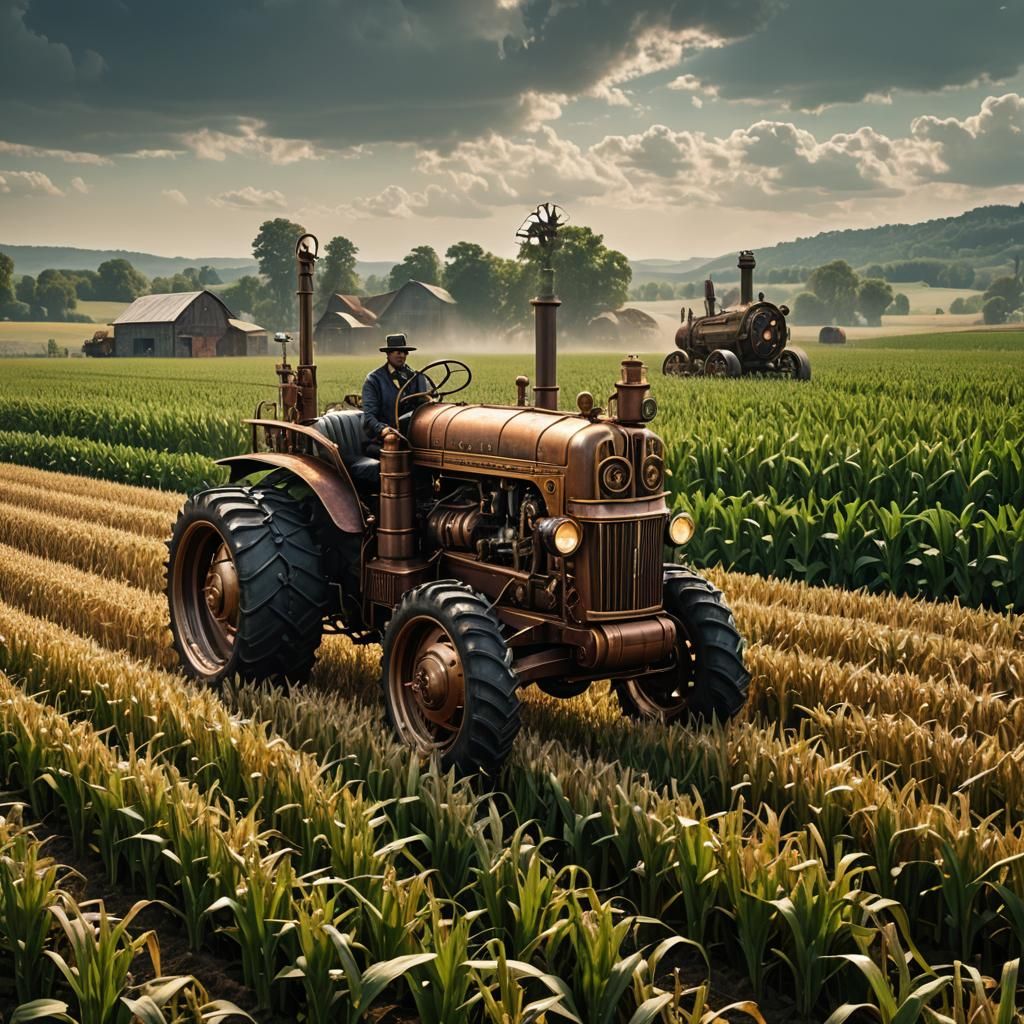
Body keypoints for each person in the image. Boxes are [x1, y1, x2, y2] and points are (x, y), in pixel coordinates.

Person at [361, 334, 429, 451]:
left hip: (413, 437)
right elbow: (369, 416)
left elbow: (425, 405)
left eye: (404, 352)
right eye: (398, 352)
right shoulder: (374, 379)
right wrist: (382, 429)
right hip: (384, 440)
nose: (402, 355)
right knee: (394, 449)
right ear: (388, 354)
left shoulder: (416, 377)